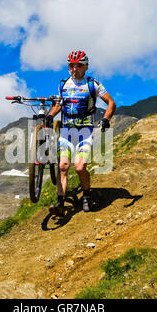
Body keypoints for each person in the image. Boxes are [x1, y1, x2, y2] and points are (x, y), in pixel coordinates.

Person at [45, 50, 116, 215]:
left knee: (79, 166)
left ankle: (86, 193)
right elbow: (59, 104)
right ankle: (60, 203)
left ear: (86, 67)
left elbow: (111, 103)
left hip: (85, 131)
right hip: (66, 131)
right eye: (71, 65)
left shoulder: (93, 84)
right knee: (63, 166)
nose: (74, 68)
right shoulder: (63, 83)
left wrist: (106, 119)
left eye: (79, 65)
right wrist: (50, 115)